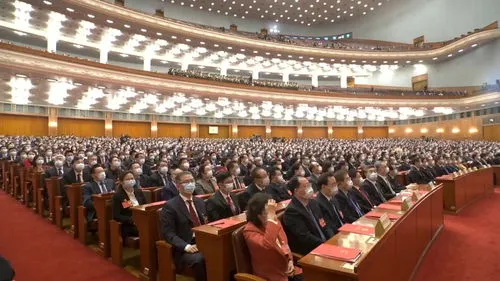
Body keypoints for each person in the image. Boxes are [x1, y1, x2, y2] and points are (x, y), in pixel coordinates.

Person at [159, 171, 207, 281]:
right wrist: (186, 246)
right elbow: (168, 233)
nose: (190, 184)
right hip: (185, 247)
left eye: (192, 181)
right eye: (186, 182)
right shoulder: (170, 206)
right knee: (200, 259)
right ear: (178, 186)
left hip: (204, 241)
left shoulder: (200, 201)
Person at [244, 193, 304, 281]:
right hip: (271, 275)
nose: (273, 214)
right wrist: (270, 219)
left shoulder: (274, 221)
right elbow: (268, 244)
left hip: (288, 270)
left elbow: (284, 243)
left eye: (273, 210)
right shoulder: (249, 231)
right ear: (258, 214)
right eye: (269, 211)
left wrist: (290, 260)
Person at [282, 176, 333, 256]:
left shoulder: (313, 203)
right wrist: (325, 245)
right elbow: (305, 237)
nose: (310, 188)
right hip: (310, 250)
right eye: (306, 186)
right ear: (296, 191)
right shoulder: (291, 212)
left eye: (309, 185)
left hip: (325, 243)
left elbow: (324, 223)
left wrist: (332, 239)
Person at [112, 171, 146, 238]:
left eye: (132, 178)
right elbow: (116, 215)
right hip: (129, 224)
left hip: (142, 219)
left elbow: (145, 205)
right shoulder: (118, 196)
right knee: (146, 229)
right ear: (121, 182)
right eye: (127, 179)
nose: (131, 180)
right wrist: (132, 220)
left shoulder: (138, 191)